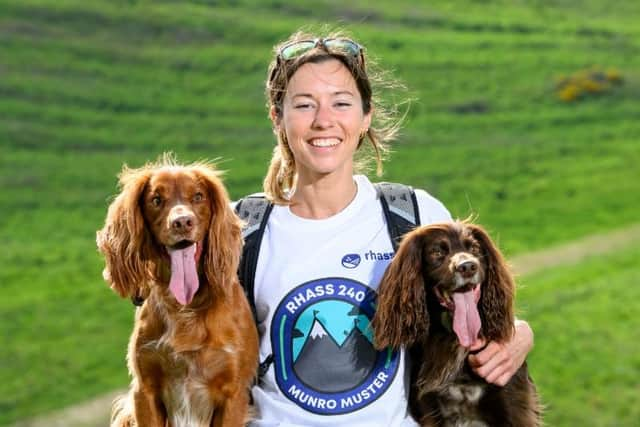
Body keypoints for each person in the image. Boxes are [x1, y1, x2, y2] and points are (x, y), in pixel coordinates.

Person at [240, 29, 534, 427]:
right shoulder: (242, 231)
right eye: (305, 105)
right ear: (278, 117)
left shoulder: (412, 214)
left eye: (341, 103)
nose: (324, 121)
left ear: (366, 116)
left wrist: (518, 333)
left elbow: (472, 312)